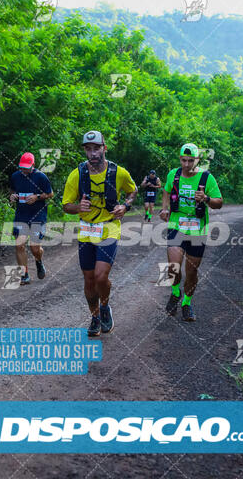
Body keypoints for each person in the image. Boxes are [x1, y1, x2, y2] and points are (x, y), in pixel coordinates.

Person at [62, 131, 137, 337]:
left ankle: (105, 307)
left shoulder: (118, 172)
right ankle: (95, 317)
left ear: (104, 148)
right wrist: (78, 208)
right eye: (88, 149)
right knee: (88, 280)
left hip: (109, 227)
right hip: (86, 230)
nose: (93, 153)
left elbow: (133, 191)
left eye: (97, 148)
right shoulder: (77, 174)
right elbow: (66, 205)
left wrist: (125, 206)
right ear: (85, 150)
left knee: (100, 276)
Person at [160, 143, 223, 321]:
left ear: (198, 160)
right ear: (180, 159)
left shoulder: (207, 178)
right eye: (183, 160)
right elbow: (166, 191)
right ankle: (174, 292)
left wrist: (207, 198)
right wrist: (165, 209)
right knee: (173, 266)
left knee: (192, 272)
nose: (187, 164)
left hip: (197, 230)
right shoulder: (174, 174)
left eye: (191, 161)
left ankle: (187, 303)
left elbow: (219, 202)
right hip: (176, 226)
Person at [10, 152, 54, 285]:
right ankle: (24, 275)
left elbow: (50, 194)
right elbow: (12, 191)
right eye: (21, 167)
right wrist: (12, 197)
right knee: (19, 245)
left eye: (26, 168)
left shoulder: (41, 177)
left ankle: (39, 261)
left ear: (33, 165)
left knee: (34, 247)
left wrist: (37, 197)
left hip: (38, 215)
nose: (23, 170)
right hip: (21, 215)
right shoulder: (15, 176)